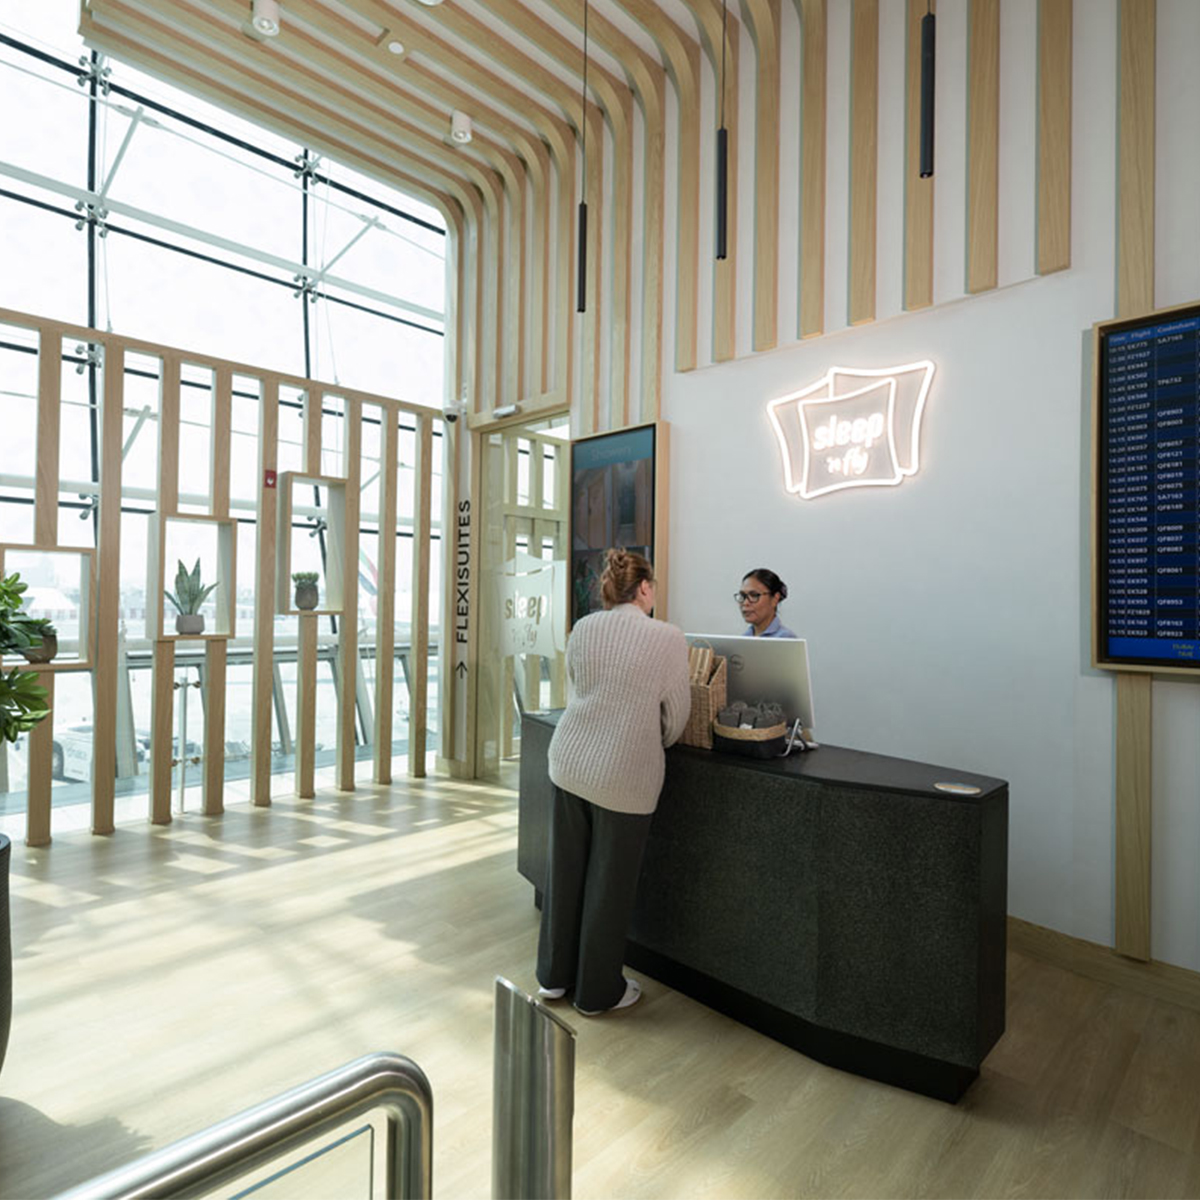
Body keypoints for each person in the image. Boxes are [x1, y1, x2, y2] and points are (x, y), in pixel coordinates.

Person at [536, 548, 691, 1015]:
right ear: (644, 588)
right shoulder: (667, 637)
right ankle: (598, 993)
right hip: (624, 775)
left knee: (564, 875)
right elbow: (676, 720)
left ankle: (553, 978)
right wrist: (644, 735)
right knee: (609, 887)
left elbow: (577, 690)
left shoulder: (584, 627)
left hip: (569, 761)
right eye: (653, 588)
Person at [737, 568, 796, 638]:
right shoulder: (743, 638)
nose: (745, 602)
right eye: (743, 596)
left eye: (754, 595)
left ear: (775, 599)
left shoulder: (786, 639)